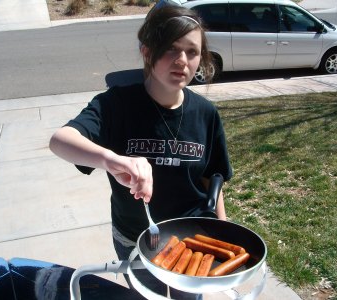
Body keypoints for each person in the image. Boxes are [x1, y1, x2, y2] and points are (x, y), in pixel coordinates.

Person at [49, 5, 232, 299]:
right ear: (147, 52)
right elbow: (61, 140)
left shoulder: (206, 113)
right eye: (171, 49)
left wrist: (222, 230)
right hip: (137, 238)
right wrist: (112, 159)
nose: (182, 61)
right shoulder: (116, 105)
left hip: (192, 239)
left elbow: (213, 177)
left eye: (192, 51)